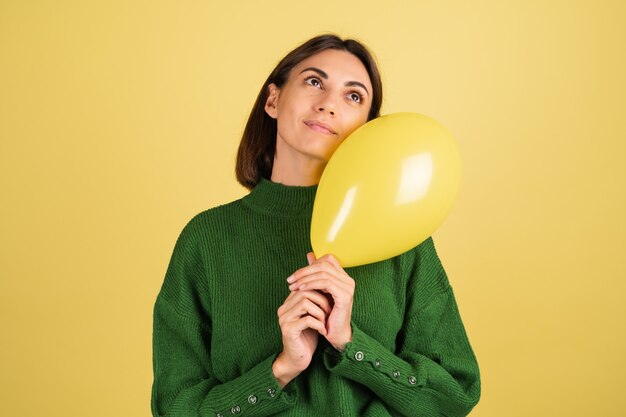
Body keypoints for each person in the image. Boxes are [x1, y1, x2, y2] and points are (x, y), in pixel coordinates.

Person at [151, 34, 481, 417]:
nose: (328, 105)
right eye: (314, 82)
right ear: (273, 100)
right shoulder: (206, 239)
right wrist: (279, 371)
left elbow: (454, 396)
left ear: (366, 129)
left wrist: (352, 344)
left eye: (353, 96)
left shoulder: (403, 239)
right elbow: (175, 408)